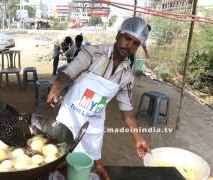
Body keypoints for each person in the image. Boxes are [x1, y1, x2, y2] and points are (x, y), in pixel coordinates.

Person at [47, 17, 150, 180]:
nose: (129, 45)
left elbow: (127, 110)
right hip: (70, 116)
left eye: (135, 43)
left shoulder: (127, 75)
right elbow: (69, 72)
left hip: (93, 122)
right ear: (118, 36)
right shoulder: (93, 53)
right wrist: (57, 86)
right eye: (127, 38)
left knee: (88, 163)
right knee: (59, 157)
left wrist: (138, 138)